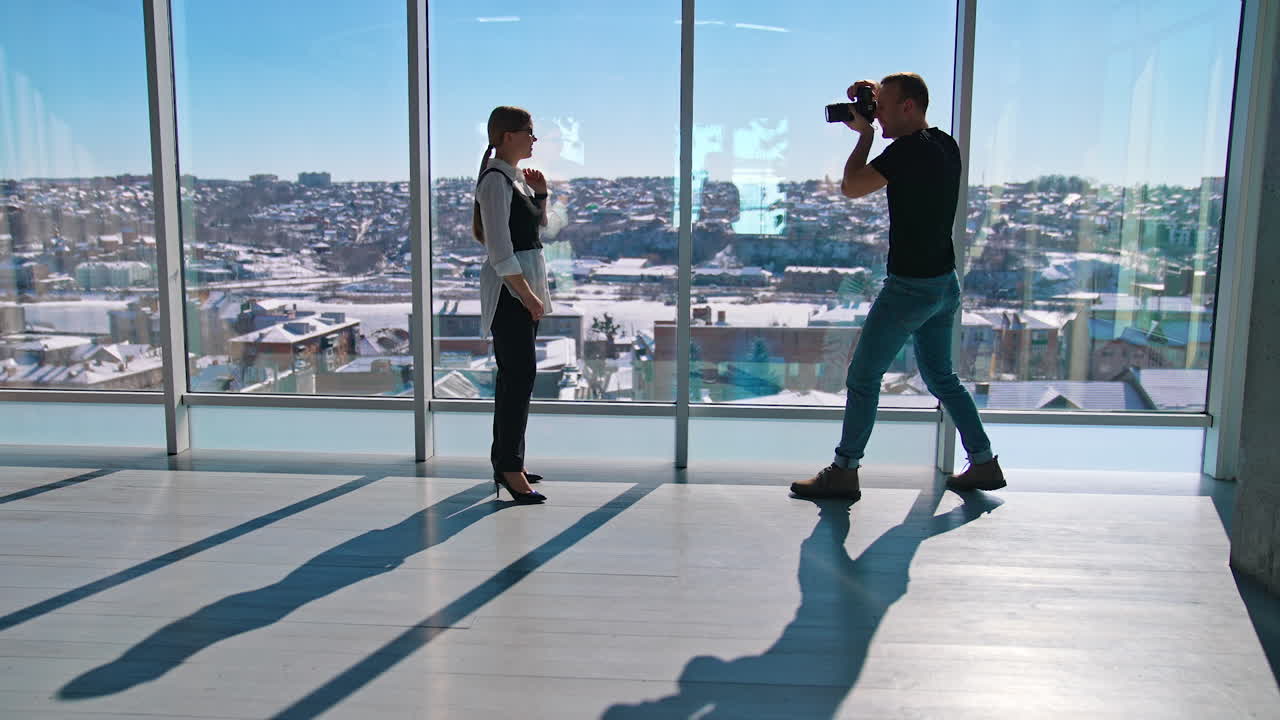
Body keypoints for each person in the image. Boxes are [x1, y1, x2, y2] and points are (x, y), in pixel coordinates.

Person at [791, 73, 1005, 501]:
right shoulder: (946, 145)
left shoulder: (904, 153)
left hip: (910, 287)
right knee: (943, 378)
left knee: (864, 377)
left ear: (908, 107)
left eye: (884, 107)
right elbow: (903, 101)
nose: (876, 114)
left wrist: (864, 136)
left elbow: (852, 187)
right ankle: (984, 463)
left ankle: (844, 471)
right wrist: (874, 91)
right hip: (945, 283)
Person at [473, 105, 550, 504]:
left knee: (516, 381)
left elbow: (534, 232)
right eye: (529, 132)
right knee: (518, 381)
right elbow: (501, 253)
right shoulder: (495, 183)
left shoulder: (513, 179)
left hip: (520, 290)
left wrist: (541, 195)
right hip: (512, 293)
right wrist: (529, 296)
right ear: (507, 136)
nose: (534, 139)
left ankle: (508, 461)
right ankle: (508, 466)